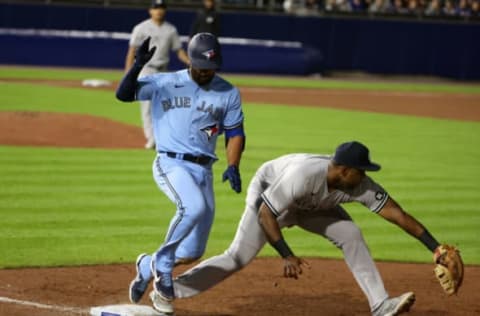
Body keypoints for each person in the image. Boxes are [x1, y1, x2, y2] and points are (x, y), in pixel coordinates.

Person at [168, 141, 449, 315]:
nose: (365, 176)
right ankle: (170, 289)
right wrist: (286, 255)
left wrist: (435, 248)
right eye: (361, 170)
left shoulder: (358, 185)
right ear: (343, 169)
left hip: (312, 207)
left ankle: (380, 305)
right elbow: (266, 214)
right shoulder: (303, 175)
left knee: (351, 234)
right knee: (237, 257)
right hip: (269, 195)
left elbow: (397, 214)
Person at [116, 32, 246, 315]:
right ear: (191, 60)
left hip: (204, 171)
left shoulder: (228, 92)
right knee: (193, 207)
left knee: (191, 252)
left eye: (211, 68)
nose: (206, 72)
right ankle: (161, 265)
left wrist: (233, 165)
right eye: (201, 66)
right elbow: (123, 94)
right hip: (170, 162)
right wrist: (137, 66)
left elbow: (235, 133)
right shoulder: (166, 81)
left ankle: (145, 265)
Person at [124, 0, 190, 149]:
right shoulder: (141, 28)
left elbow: (179, 51)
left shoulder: (170, 30)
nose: (159, 11)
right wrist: (128, 75)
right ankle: (151, 139)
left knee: (166, 106)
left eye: (161, 8)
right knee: (147, 106)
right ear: (150, 11)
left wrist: (190, 62)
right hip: (146, 70)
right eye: (156, 8)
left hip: (164, 71)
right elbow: (132, 52)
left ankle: (164, 136)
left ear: (165, 10)